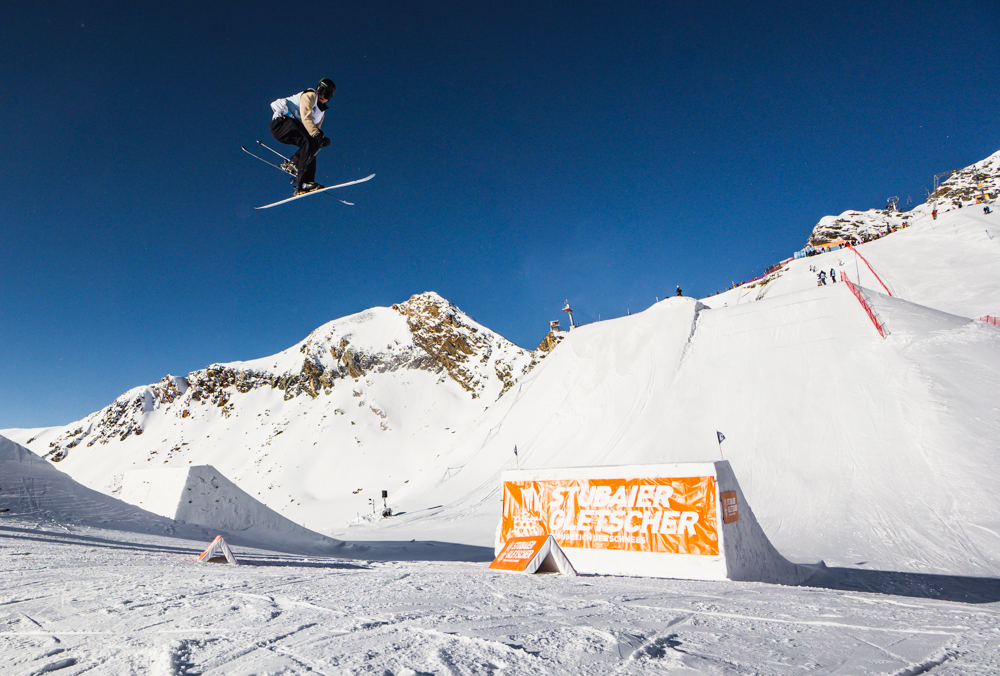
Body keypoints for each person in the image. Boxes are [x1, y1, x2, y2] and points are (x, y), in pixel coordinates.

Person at [270, 78, 336, 195]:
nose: (322, 96)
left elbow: (315, 131)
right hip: (281, 123)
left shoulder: (321, 113)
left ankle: (295, 163)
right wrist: (316, 135)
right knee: (310, 140)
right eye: (321, 90)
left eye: (327, 95)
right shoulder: (310, 95)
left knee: (314, 144)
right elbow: (306, 117)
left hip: (292, 127)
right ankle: (304, 184)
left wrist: (321, 139)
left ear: (330, 98)